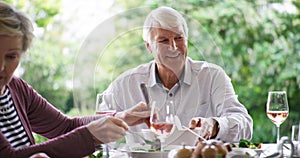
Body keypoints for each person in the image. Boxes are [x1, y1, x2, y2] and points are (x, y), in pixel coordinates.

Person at [0, 2, 150, 158]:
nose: (1, 67)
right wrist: (89, 136)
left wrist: (120, 118)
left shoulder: (16, 88)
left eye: (11, 56)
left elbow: (65, 127)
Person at [100, 6, 253, 143]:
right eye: (163, 40)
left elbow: (245, 125)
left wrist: (214, 125)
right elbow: (97, 131)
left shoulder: (212, 76)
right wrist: (120, 119)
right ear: (149, 46)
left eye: (179, 38)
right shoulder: (124, 85)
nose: (173, 47)